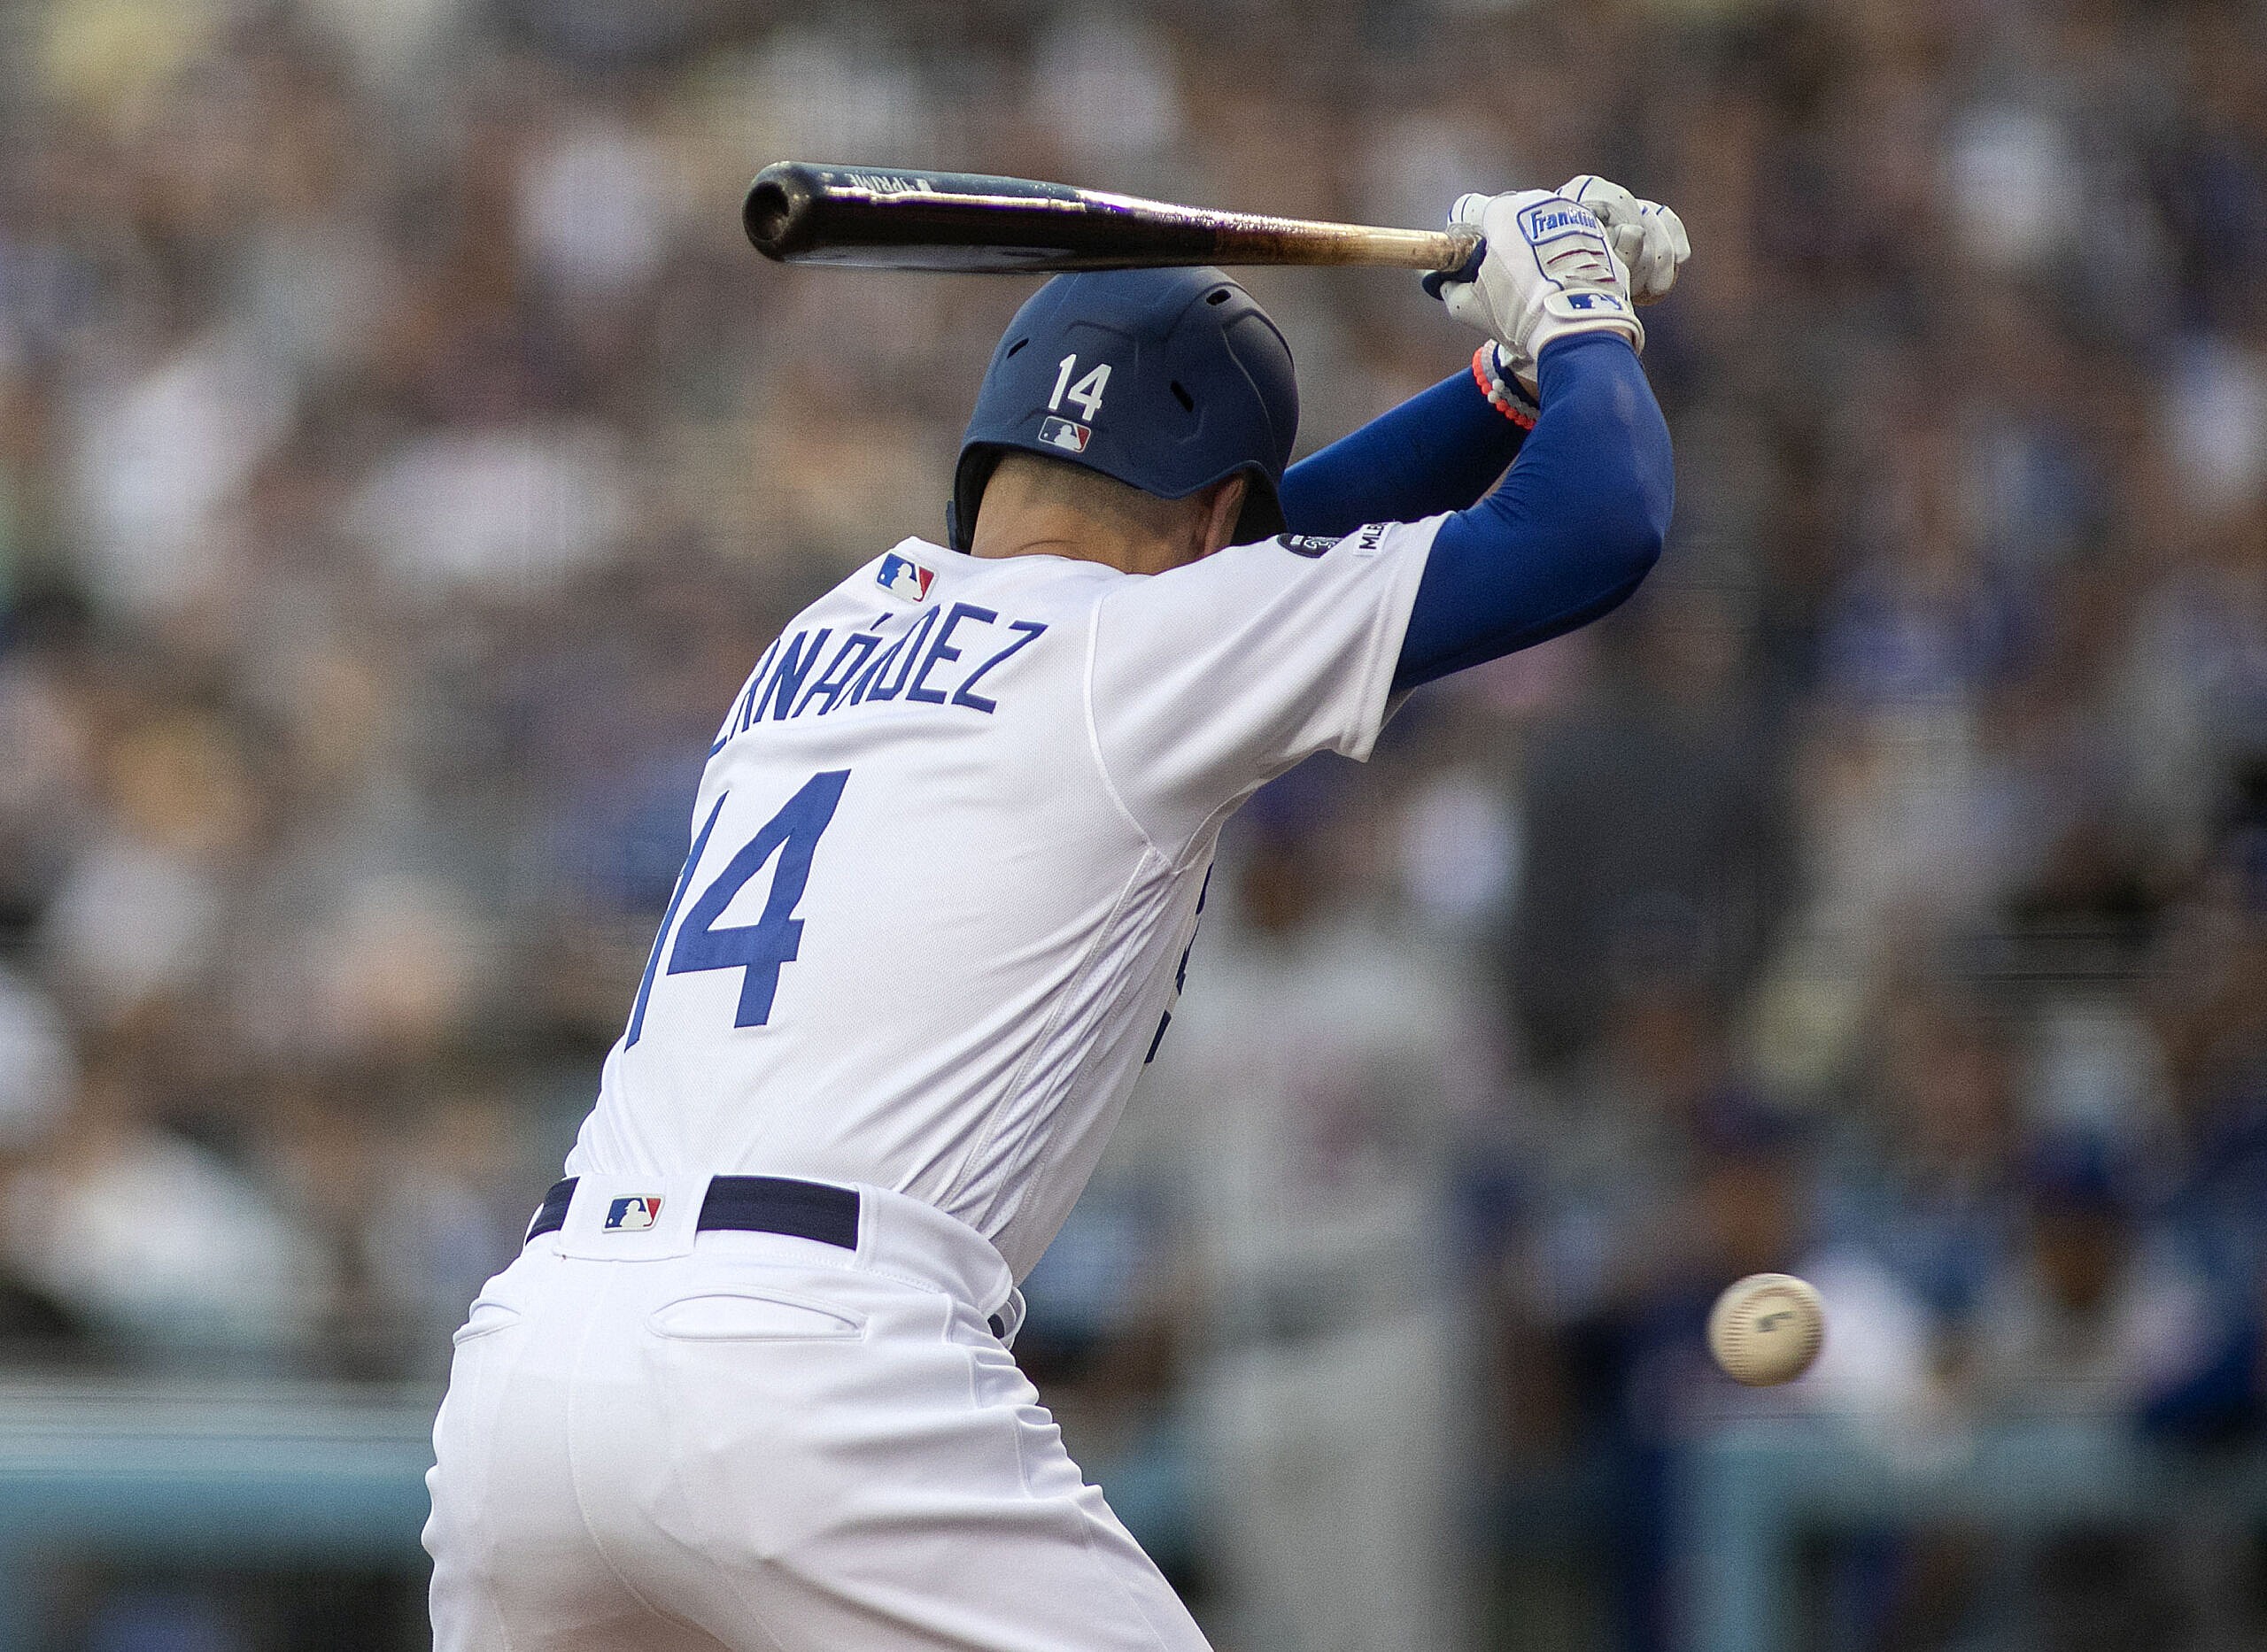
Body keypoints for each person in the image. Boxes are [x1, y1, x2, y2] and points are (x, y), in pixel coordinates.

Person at [422, 177, 1685, 1652]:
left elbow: (1250, 562)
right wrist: (1583, 323)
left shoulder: (834, 624)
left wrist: (1509, 381)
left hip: (534, 1359)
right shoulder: (1141, 655)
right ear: (1220, 511)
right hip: (812, 1377)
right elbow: (1602, 520)